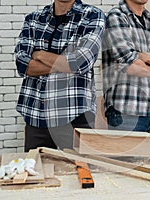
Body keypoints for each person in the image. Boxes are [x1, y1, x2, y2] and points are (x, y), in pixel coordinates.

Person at [15, 0, 105, 152]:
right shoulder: (33, 18)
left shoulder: (92, 16)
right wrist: (63, 62)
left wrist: (40, 54)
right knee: (36, 171)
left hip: (75, 114)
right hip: (36, 114)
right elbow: (23, 65)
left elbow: (79, 63)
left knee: (79, 172)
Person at [102, 0, 150, 145]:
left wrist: (146, 56)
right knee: (129, 166)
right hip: (126, 113)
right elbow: (131, 66)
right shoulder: (116, 17)